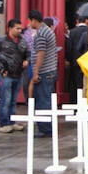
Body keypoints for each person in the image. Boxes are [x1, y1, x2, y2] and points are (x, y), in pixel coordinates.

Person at [0, 19, 30, 133]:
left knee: (13, 101)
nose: (20, 30)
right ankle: (4, 123)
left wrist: (27, 61)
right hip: (6, 74)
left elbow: (28, 54)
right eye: (17, 28)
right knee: (6, 100)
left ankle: (12, 121)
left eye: (21, 28)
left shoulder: (22, 41)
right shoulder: (1, 41)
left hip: (18, 74)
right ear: (10, 29)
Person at [28, 9, 58, 138]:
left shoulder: (41, 33)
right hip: (50, 70)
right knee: (46, 99)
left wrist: (35, 72)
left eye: (29, 21)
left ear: (34, 20)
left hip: (44, 72)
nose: (28, 24)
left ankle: (45, 128)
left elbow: (41, 53)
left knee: (43, 100)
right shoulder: (48, 30)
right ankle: (47, 126)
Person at [67, 15, 88, 102]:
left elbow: (70, 47)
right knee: (87, 83)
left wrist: (69, 59)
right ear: (86, 21)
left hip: (76, 60)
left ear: (77, 21)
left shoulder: (72, 32)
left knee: (77, 83)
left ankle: (78, 101)